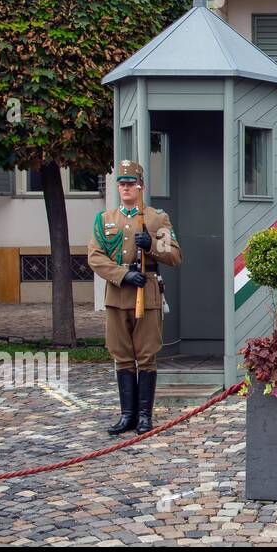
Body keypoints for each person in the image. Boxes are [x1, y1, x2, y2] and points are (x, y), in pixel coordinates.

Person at [86, 159, 183, 436]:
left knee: (146, 356)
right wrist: (122, 275)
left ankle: (144, 416)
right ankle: (127, 415)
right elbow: (95, 257)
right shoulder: (105, 220)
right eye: (122, 183)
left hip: (147, 294)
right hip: (118, 294)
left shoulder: (155, 218)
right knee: (122, 356)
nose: (126, 187)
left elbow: (175, 255)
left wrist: (151, 245)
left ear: (141, 186)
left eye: (131, 183)